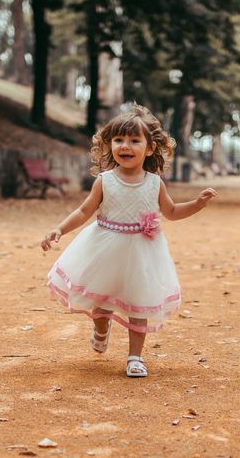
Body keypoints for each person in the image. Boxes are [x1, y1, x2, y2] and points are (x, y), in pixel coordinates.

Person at [41, 104, 216, 378]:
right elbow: (84, 211)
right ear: (110, 145)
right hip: (105, 248)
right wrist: (59, 230)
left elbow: (170, 212)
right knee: (101, 300)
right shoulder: (105, 181)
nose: (126, 145)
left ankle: (135, 357)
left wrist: (197, 204)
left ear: (149, 148)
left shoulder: (155, 183)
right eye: (119, 140)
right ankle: (101, 327)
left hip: (142, 253)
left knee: (140, 302)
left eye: (135, 140)